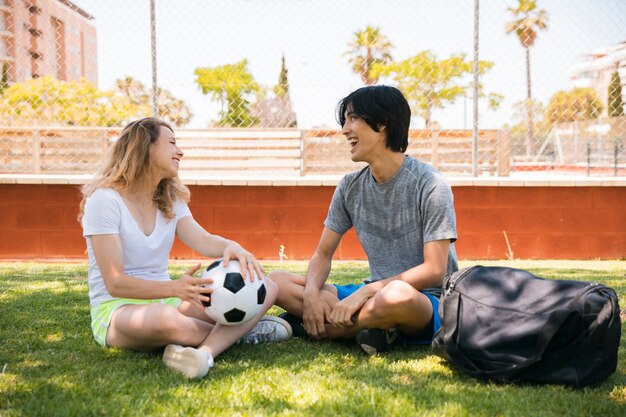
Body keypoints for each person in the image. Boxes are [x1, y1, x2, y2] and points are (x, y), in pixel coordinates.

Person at [79, 117, 292, 379]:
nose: (180, 151)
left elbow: (201, 239)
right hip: (117, 309)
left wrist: (232, 246)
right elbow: (115, 283)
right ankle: (243, 331)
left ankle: (204, 354)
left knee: (267, 285)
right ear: (145, 147)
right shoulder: (104, 201)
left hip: (169, 300)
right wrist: (175, 288)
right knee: (168, 320)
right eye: (171, 143)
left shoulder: (169, 198)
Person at [269, 85, 458, 355]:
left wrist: (364, 295)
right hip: (371, 295)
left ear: (382, 124)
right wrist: (311, 293)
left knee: (395, 297)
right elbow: (322, 254)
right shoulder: (349, 186)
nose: (345, 129)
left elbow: (434, 270)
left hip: (425, 301)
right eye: (344, 121)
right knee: (277, 281)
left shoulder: (430, 183)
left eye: (352, 119)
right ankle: (374, 328)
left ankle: (321, 329)